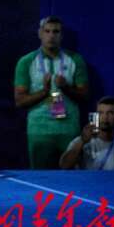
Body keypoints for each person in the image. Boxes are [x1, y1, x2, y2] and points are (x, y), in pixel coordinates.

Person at [14, 16, 89, 169]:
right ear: (39, 33)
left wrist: (66, 87)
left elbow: (84, 95)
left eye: (56, 31)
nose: (51, 35)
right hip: (39, 131)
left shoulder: (75, 60)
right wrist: (44, 91)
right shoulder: (26, 61)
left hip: (69, 129)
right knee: (41, 179)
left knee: (72, 180)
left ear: (62, 35)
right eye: (47, 31)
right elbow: (20, 101)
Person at [59, 96, 114, 170]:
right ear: (95, 116)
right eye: (100, 113)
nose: (105, 117)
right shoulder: (81, 141)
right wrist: (82, 141)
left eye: (110, 113)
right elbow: (64, 165)